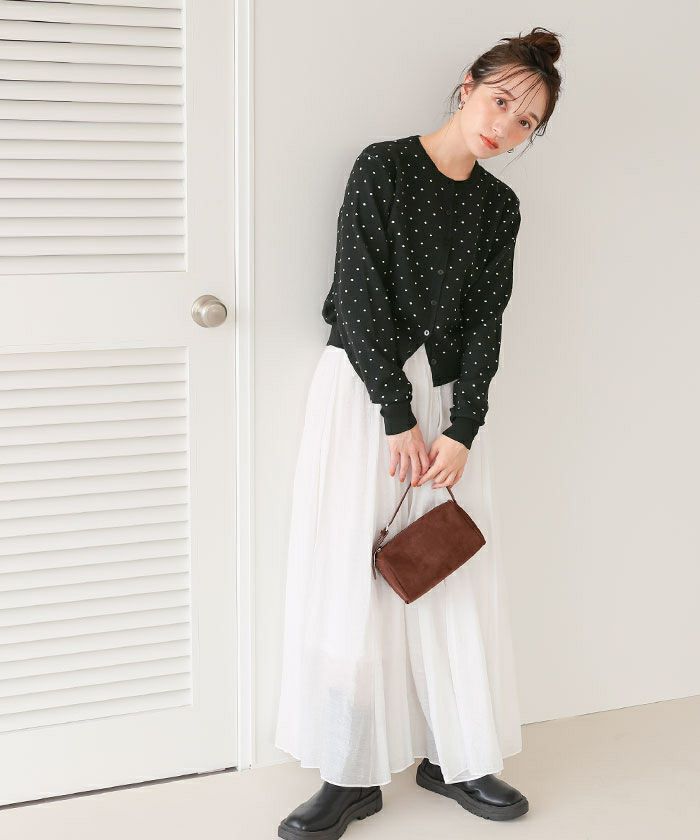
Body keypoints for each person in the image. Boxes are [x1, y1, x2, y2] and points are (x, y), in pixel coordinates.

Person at [275, 27, 563, 840]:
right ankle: (349, 774)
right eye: (500, 101)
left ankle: (457, 756)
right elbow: (356, 290)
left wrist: (464, 427)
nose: (505, 127)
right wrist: (394, 413)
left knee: (448, 569)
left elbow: (485, 323)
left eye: (526, 123)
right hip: (363, 394)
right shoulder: (384, 167)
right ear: (467, 85)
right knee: (349, 572)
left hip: (444, 406)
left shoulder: (499, 207)